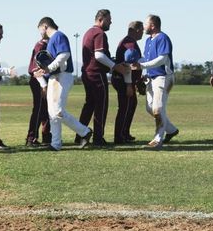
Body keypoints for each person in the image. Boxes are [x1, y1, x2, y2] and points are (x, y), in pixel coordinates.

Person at [33, 17, 92, 151]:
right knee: (52, 112)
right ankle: (56, 143)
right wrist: (43, 71)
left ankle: (84, 131)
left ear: (45, 26)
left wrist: (49, 68)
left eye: (40, 30)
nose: (40, 33)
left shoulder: (58, 36)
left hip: (62, 76)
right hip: (55, 76)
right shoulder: (53, 39)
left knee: (57, 111)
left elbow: (64, 55)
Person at [78, 9, 130, 146]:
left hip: (87, 73)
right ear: (101, 19)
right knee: (101, 106)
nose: (111, 22)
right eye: (109, 19)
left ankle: (80, 134)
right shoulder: (99, 33)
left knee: (89, 105)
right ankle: (98, 138)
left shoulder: (88, 32)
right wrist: (115, 66)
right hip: (96, 74)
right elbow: (99, 55)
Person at [131, 14, 179, 148]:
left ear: (152, 26)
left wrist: (143, 66)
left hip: (163, 77)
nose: (143, 27)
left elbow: (162, 59)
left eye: (146, 24)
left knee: (158, 109)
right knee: (150, 108)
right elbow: (146, 60)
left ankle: (158, 139)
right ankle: (171, 130)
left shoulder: (163, 38)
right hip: (151, 77)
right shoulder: (148, 40)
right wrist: (136, 65)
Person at [112, 21, 144, 144]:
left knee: (131, 104)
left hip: (125, 80)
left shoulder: (128, 41)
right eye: (141, 30)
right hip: (124, 81)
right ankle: (119, 136)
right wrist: (129, 85)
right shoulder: (130, 44)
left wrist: (138, 79)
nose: (142, 33)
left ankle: (125, 133)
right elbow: (128, 66)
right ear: (136, 30)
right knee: (125, 107)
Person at [25, 37, 51, 147]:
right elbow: (35, 68)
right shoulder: (41, 46)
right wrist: (43, 84)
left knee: (46, 110)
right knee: (39, 109)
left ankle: (46, 137)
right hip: (38, 82)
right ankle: (32, 138)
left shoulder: (47, 45)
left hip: (45, 81)